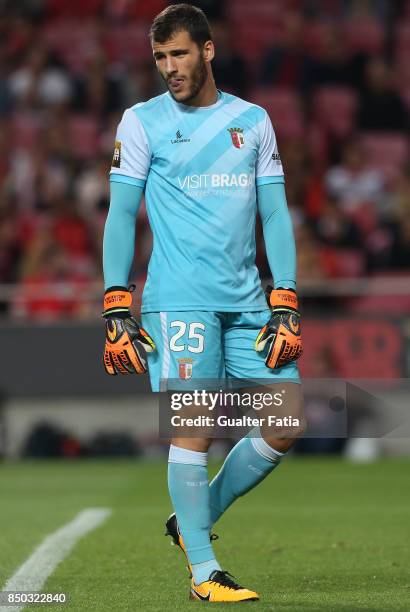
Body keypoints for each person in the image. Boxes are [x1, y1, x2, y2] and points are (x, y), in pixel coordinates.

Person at [102, 4, 303, 603]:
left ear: (208, 50)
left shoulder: (254, 121)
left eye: (180, 54)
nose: (170, 67)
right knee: (196, 427)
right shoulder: (141, 123)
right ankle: (204, 570)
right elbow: (120, 212)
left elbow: (274, 212)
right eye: (161, 57)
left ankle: (192, 518)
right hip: (178, 303)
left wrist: (285, 293)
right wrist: (117, 301)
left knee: (286, 421)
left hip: (247, 301)